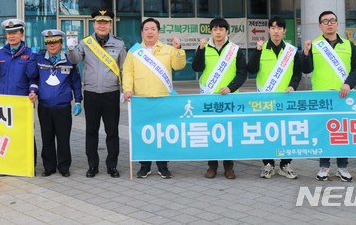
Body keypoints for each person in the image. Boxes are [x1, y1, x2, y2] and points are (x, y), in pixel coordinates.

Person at [302, 11, 356, 182]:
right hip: (321, 96)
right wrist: (305, 53)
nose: (329, 23)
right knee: (324, 132)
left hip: (343, 96)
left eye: (332, 20)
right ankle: (324, 166)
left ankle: (342, 166)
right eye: (325, 21)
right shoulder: (314, 44)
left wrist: (348, 83)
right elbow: (305, 69)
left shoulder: (348, 45)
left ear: (337, 23)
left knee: (342, 132)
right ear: (320, 25)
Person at [122, 18, 186, 179]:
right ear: (142, 32)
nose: (149, 32)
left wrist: (178, 49)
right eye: (146, 29)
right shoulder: (134, 52)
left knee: (163, 133)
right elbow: (128, 72)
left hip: (163, 98)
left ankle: (163, 166)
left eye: (153, 29)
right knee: (142, 133)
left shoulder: (168, 49)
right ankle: (144, 166)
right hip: (141, 99)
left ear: (158, 32)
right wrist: (127, 89)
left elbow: (179, 65)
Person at [68, 9, 126, 178]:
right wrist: (71, 49)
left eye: (105, 22)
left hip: (111, 94)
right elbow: (74, 60)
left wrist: (126, 90)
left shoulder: (119, 44)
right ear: (94, 24)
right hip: (92, 94)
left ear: (110, 24)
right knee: (91, 132)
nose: (102, 25)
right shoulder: (85, 43)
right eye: (99, 22)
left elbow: (124, 69)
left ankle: (112, 166)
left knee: (112, 132)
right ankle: (92, 166)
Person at [246, 16, 301, 180]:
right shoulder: (261, 49)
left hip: (286, 99)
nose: (276, 31)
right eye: (273, 28)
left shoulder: (291, 51)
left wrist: (293, 85)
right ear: (268, 30)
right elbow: (251, 69)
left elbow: (297, 72)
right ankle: (268, 164)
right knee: (266, 132)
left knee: (286, 131)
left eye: (279, 28)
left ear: (284, 31)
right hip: (265, 99)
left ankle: (285, 164)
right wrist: (256, 51)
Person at [192, 17, 247, 180]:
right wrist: (200, 50)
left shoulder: (235, 49)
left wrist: (231, 87)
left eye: (221, 29)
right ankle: (212, 166)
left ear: (226, 32)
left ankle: (229, 166)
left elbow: (242, 72)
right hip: (209, 98)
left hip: (229, 98)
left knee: (228, 132)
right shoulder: (204, 47)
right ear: (211, 31)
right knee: (211, 132)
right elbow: (196, 67)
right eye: (215, 29)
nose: (218, 32)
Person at [27, 29, 82, 178]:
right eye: (48, 43)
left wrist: (78, 101)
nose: (52, 45)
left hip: (63, 107)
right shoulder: (39, 59)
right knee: (47, 137)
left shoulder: (69, 60)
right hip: (44, 106)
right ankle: (49, 167)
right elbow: (31, 76)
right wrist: (32, 57)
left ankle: (64, 167)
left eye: (55, 42)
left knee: (63, 138)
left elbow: (76, 82)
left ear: (61, 43)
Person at [0, 18, 37, 165]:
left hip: (22, 101)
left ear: (22, 35)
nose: (12, 36)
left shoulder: (30, 54)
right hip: (3, 101)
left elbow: (33, 77)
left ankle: (28, 164)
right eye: (9, 33)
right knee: (4, 134)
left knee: (24, 133)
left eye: (15, 32)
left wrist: (33, 91)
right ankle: (7, 164)